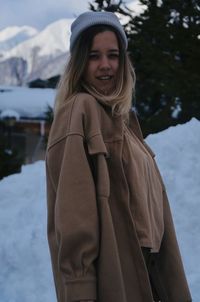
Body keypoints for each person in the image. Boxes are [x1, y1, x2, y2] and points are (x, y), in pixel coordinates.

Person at [45, 11, 192, 302]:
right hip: (115, 282)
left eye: (113, 55)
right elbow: (74, 222)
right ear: (78, 63)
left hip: (146, 282)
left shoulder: (126, 125)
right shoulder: (79, 112)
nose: (105, 66)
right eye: (93, 56)